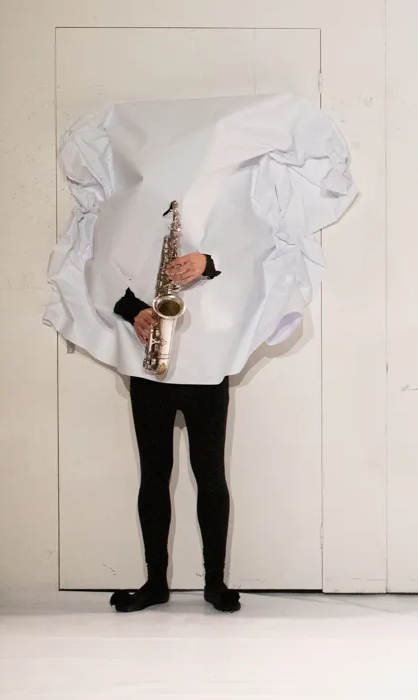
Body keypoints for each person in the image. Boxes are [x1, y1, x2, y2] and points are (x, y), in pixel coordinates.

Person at [109, 250, 241, 613]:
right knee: (154, 477)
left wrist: (208, 263)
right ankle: (155, 583)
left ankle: (215, 583)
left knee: (210, 475)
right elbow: (102, 275)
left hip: (207, 367)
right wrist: (133, 310)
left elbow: (249, 265)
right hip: (150, 371)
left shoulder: (219, 221)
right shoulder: (130, 224)